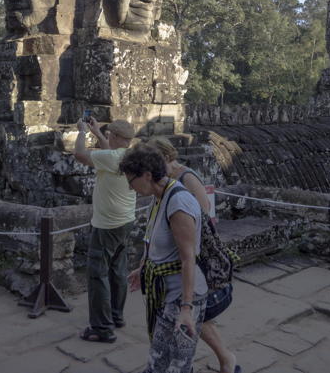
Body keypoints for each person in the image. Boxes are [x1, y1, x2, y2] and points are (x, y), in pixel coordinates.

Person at [148, 136, 239, 373]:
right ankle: (226, 359)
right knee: (192, 317)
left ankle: (223, 359)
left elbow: (202, 216)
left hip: (193, 257)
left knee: (192, 314)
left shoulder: (185, 178)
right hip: (177, 262)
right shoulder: (163, 181)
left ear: (167, 157)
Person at [120, 144, 207, 373]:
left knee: (176, 366)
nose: (131, 188)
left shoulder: (177, 202)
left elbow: (188, 258)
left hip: (182, 295)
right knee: (158, 360)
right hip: (166, 292)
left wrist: (186, 309)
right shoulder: (159, 197)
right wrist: (144, 268)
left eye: (131, 181)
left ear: (147, 175)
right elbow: (156, 241)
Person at [75, 117, 136, 343]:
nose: (108, 137)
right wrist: (98, 133)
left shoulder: (112, 157)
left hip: (107, 225)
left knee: (97, 274)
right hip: (126, 220)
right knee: (117, 270)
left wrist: (82, 132)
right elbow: (109, 153)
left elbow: (80, 155)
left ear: (119, 138)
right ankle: (116, 316)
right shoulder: (128, 155)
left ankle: (102, 328)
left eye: (111, 135)